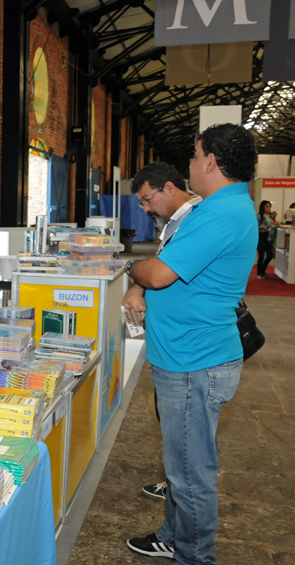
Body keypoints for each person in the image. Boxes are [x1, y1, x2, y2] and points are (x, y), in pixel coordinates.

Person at [124, 123, 258, 564]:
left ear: (211, 162)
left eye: (194, 156)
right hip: (186, 357)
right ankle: (173, 535)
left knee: (191, 477)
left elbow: (160, 272)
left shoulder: (221, 213)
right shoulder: (218, 208)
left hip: (194, 363)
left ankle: (195, 558)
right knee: (183, 467)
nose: (190, 166)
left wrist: (133, 271)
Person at [122, 161, 201, 503]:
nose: (145, 208)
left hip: (189, 351)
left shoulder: (198, 219)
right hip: (171, 346)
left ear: (169, 187)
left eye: (147, 199)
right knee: (175, 436)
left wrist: (131, 268)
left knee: (187, 442)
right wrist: (138, 288)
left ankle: (186, 534)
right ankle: (175, 486)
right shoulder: (175, 223)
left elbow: (157, 274)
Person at [256, 200, 274, 279]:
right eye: (267, 206)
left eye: (269, 206)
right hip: (261, 236)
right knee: (261, 256)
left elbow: (272, 226)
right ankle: (259, 273)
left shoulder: (270, 216)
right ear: (263, 207)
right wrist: (262, 227)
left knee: (270, 255)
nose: (268, 208)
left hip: (269, 237)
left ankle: (263, 270)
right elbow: (255, 227)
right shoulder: (259, 216)